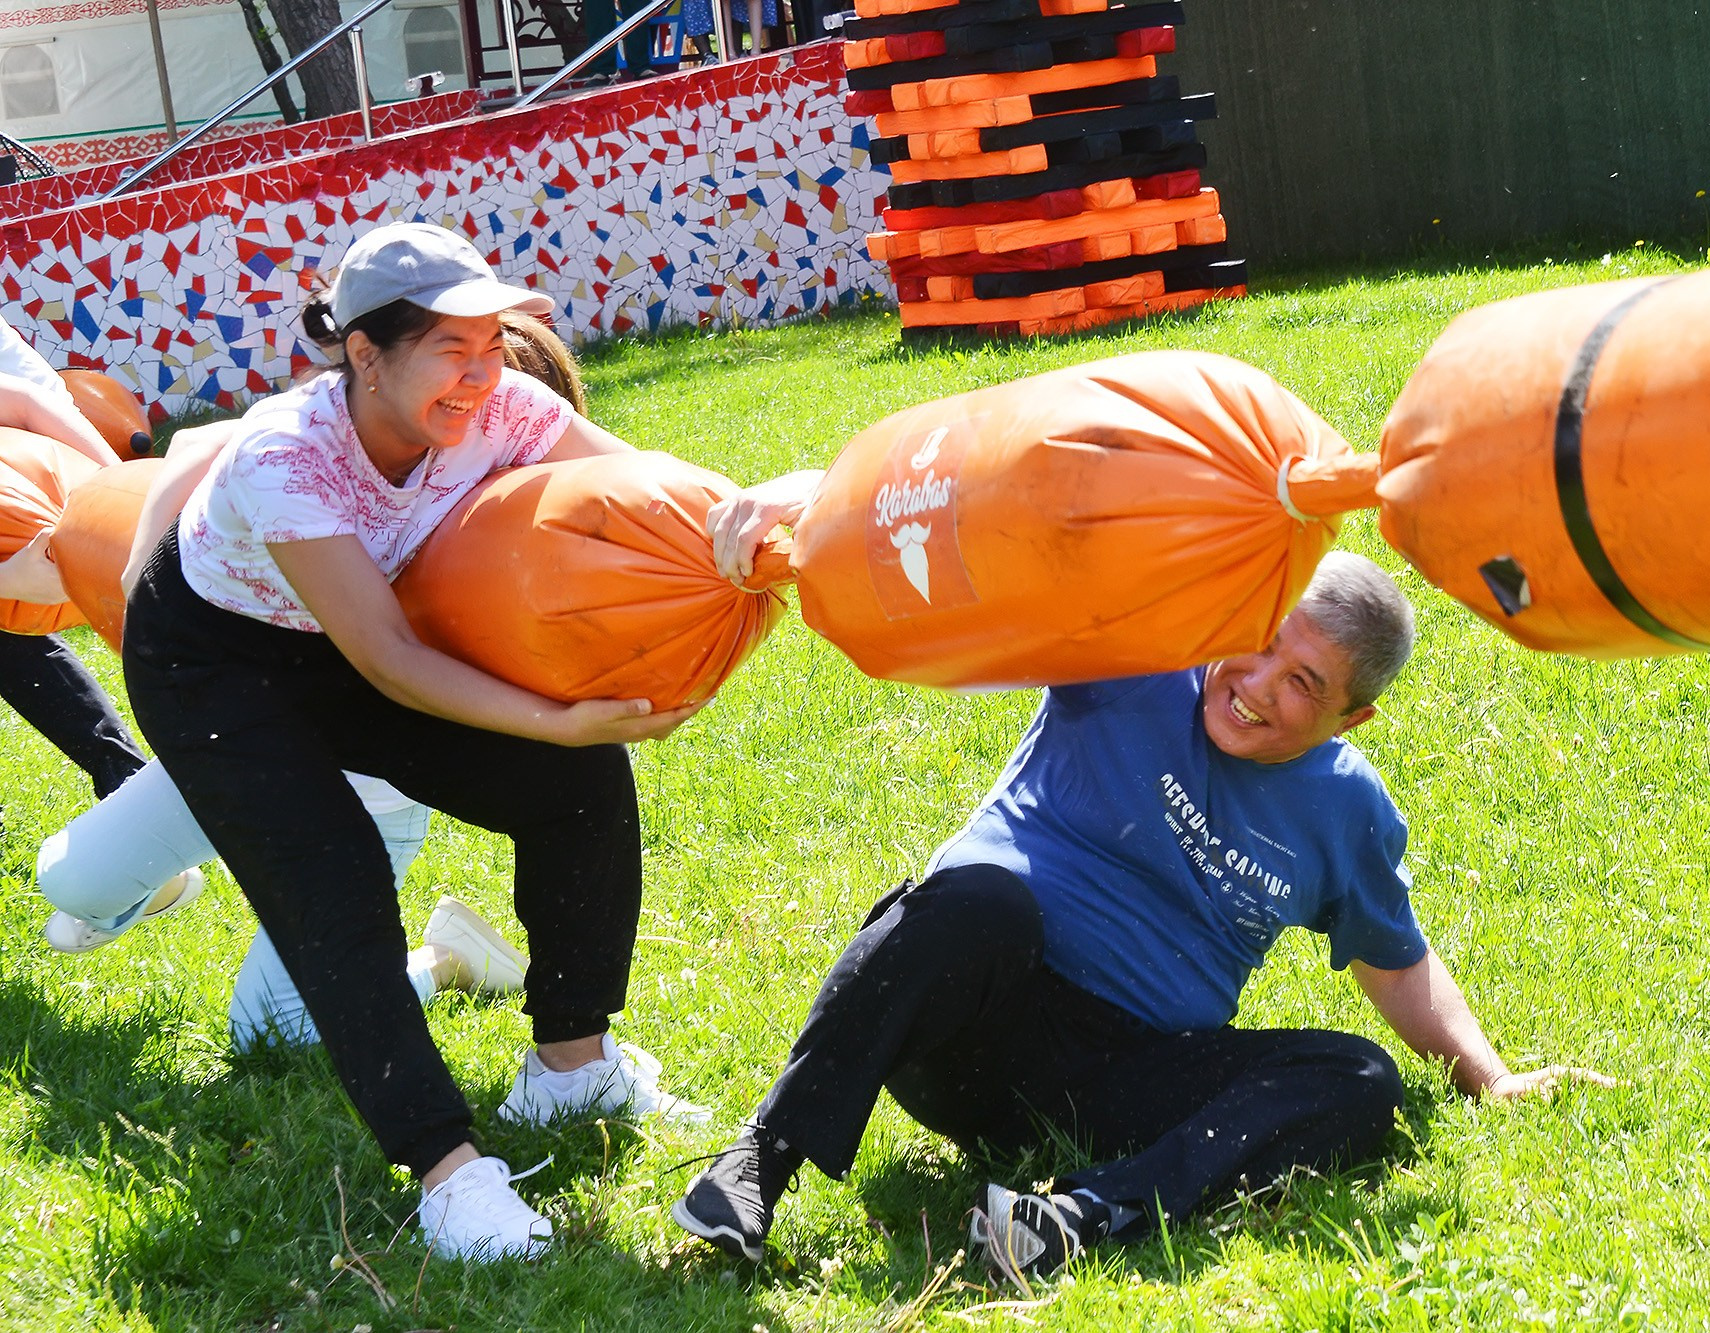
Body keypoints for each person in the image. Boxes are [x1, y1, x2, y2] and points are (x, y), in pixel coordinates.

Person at [678, 487, 1613, 1282]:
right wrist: (821, 512)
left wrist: (1487, 1079)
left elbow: (1393, 959)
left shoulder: (1345, 809)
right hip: (969, 1018)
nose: (1254, 682)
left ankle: (1079, 1217)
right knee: (973, 902)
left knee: (1358, 1078)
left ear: (1352, 717)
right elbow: (987, 572)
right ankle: (762, 1160)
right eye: (1261, 638)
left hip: (1120, 1078)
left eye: (1302, 682)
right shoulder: (1138, 654)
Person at [118, 222, 705, 1262]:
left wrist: (747, 519)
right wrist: (557, 714)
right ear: (364, 353)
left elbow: (655, 484)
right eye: (451, 350)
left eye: (492, 345)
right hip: (215, 663)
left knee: (577, 784)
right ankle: (447, 1176)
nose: (482, 377)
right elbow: (388, 659)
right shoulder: (287, 455)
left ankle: (570, 1070)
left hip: (347, 637)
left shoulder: (504, 403)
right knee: (333, 878)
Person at [36, 315, 594, 1058]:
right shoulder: (335, 455)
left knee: (272, 1033)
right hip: (244, 744)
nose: (473, 403)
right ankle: (162, 882)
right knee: (68, 882)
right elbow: (199, 443)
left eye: (493, 386)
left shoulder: (525, 534)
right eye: (453, 369)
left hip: (368, 798)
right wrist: (143, 582)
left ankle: (448, 958)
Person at [0, 320, 145, 805]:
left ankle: (131, 783)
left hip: (46, 441)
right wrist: (7, 579)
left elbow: (23, 404)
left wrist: (123, 494)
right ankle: (127, 781)